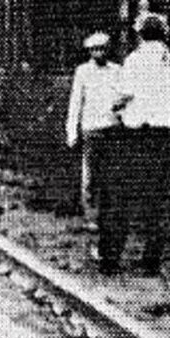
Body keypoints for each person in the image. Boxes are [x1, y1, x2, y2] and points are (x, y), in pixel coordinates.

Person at [98, 13, 170, 275]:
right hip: (164, 140)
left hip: (135, 138)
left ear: (140, 34)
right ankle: (151, 261)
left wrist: (115, 107)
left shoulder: (134, 61)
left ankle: (111, 260)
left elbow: (124, 95)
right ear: (165, 34)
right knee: (157, 202)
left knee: (119, 199)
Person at [64, 32, 122, 216]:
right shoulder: (82, 72)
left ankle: (108, 213)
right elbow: (75, 102)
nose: (99, 53)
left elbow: (123, 97)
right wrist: (72, 132)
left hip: (112, 127)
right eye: (94, 50)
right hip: (91, 128)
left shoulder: (117, 70)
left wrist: (121, 114)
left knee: (110, 174)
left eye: (102, 49)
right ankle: (90, 212)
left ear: (108, 49)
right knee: (89, 174)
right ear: (89, 52)